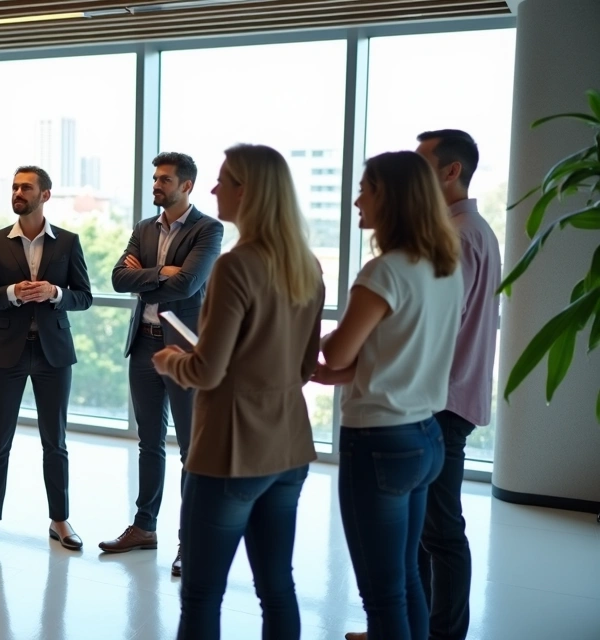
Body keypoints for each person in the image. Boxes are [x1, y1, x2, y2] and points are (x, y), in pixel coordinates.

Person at [153, 144, 323, 639]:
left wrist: (171, 361)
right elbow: (306, 365)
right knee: (278, 587)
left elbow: (206, 371)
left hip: (231, 450)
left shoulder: (236, 265)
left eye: (223, 179)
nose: (212, 188)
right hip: (289, 446)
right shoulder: (306, 265)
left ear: (247, 191)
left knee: (203, 593)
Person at [344, 131, 501, 640]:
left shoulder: (451, 239)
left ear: (449, 172)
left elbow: (426, 330)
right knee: (418, 542)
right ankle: (413, 626)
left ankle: (439, 632)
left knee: (438, 533)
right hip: (440, 398)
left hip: (431, 400)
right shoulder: (467, 231)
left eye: (419, 163)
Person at [315, 150, 462, 640]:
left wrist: (307, 343)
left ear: (392, 198)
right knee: (405, 581)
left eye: (366, 188)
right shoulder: (444, 265)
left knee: (383, 594)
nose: (357, 199)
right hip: (426, 437)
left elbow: (338, 354)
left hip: (379, 442)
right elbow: (395, 348)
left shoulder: (383, 272)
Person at [103, 151, 223, 576]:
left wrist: (148, 275)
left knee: (192, 449)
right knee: (149, 442)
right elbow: (118, 279)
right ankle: (144, 527)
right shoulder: (143, 228)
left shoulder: (209, 229)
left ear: (186, 185)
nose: (156, 184)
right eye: (155, 177)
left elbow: (189, 285)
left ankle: (189, 541)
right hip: (144, 347)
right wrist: (162, 272)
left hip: (185, 350)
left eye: (165, 179)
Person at [0, 165, 93, 557]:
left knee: (55, 442)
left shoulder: (68, 242)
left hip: (53, 353)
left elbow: (84, 296)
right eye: (14, 187)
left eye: (26, 187)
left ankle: (60, 520)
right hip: (7, 352)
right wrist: (12, 293)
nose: (18, 192)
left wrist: (56, 292)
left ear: (45, 195)